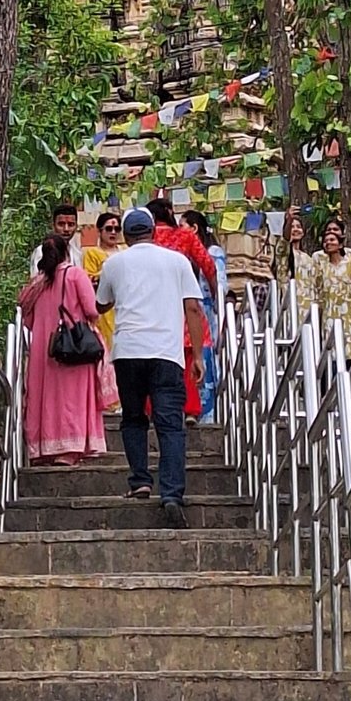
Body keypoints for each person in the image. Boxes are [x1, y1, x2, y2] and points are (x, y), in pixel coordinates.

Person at [96, 208, 205, 528]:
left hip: (128, 352)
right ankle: (171, 494)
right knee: (170, 425)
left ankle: (140, 481)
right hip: (167, 354)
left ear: (127, 236)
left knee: (133, 419)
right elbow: (193, 308)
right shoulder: (177, 261)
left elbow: (101, 304)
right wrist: (197, 356)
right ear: (154, 232)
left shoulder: (114, 263)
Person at [18, 234, 108, 466]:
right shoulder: (75, 275)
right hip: (73, 348)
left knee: (44, 398)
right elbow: (91, 310)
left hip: (42, 349)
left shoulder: (37, 284)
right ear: (67, 253)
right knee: (71, 398)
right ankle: (69, 449)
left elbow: (26, 318)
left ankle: (43, 448)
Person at [147, 199, 216, 426]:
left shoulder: (144, 240)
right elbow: (208, 265)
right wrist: (215, 295)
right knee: (188, 358)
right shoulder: (185, 236)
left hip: (151, 306)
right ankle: (189, 409)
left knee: (152, 360)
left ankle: (151, 408)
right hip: (183, 303)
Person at [180, 210, 227, 423]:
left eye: (182, 226)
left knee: (205, 359)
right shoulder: (182, 254)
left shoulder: (212, 252)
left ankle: (207, 414)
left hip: (205, 310)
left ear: (194, 228)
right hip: (186, 310)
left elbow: (219, 282)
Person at [311, 221, 351, 362]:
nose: (328, 243)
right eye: (326, 240)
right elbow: (317, 287)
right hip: (329, 312)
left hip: (350, 313)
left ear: (340, 243)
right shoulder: (322, 264)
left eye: (332, 239)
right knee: (331, 351)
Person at [83, 210, 121, 351]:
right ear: (99, 231)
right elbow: (90, 278)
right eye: (109, 229)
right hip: (104, 307)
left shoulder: (125, 250)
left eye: (116, 229)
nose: (113, 232)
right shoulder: (92, 253)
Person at [30, 203, 83, 277]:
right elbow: (36, 281)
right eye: (61, 224)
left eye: (71, 224)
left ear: (76, 226)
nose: (66, 229)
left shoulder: (77, 253)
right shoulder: (41, 251)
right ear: (53, 225)